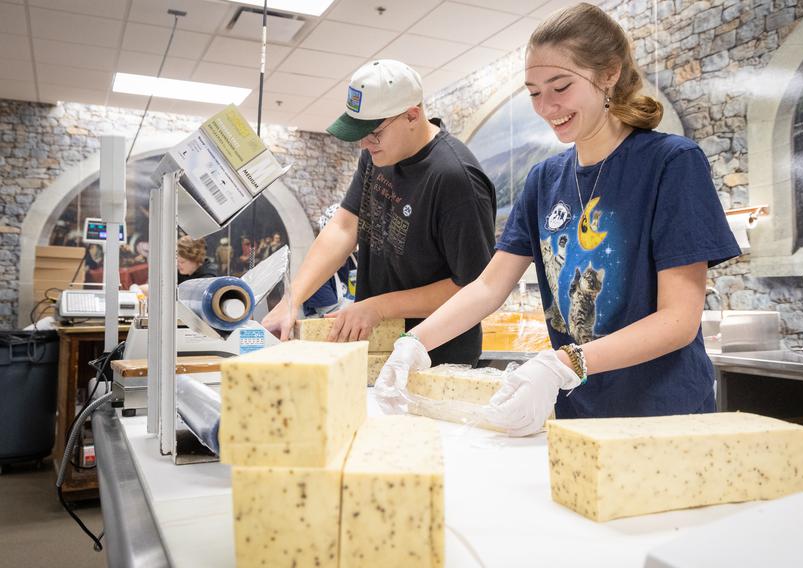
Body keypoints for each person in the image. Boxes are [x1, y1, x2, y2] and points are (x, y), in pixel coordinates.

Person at [375, 3, 741, 435]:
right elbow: (490, 286)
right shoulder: (545, 180)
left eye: (560, 87)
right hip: (579, 416)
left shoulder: (671, 164)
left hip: (663, 416)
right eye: (533, 92)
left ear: (609, 74)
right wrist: (415, 343)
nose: (547, 107)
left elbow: (679, 320)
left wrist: (565, 362)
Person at [262, 59, 496, 366]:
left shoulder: (456, 179)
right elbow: (344, 227)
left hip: (434, 356)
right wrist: (292, 300)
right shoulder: (376, 156)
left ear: (412, 115)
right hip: (377, 346)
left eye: (373, 133)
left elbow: (475, 289)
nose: (364, 143)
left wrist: (379, 307)